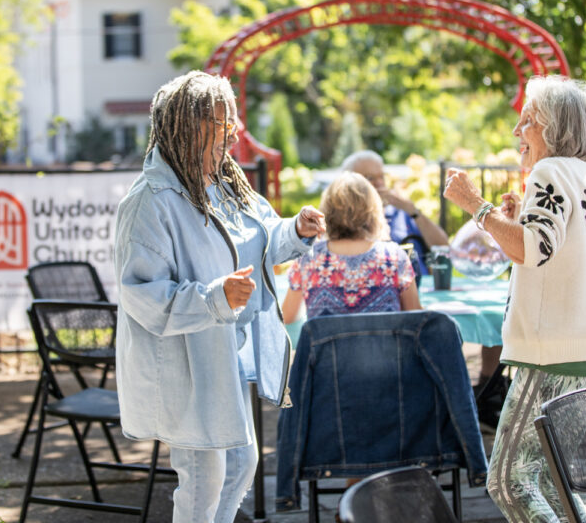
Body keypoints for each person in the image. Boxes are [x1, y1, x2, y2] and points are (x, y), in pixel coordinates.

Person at [113, 70, 325, 523]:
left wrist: (295, 231)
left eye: (232, 119)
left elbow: (262, 237)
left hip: (220, 355)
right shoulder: (151, 200)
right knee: (203, 477)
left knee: (240, 465)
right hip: (181, 362)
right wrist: (214, 298)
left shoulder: (225, 184)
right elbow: (141, 294)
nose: (233, 132)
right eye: (220, 121)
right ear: (188, 125)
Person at [443, 75, 586, 523]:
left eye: (527, 120)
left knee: (507, 481)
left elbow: (532, 249)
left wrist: (476, 205)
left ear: (554, 128)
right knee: (550, 484)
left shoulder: (549, 172)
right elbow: (557, 254)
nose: (517, 132)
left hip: (553, 355)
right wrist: (513, 221)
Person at [281, 171, 421, 325]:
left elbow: (287, 317)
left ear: (327, 212)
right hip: (384, 349)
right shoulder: (395, 257)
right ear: (373, 210)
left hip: (326, 349)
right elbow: (416, 318)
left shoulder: (308, 258)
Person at [341, 150, 449, 275]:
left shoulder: (403, 213)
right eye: (370, 178)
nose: (379, 183)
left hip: (419, 289)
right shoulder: (343, 221)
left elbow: (443, 247)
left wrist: (413, 211)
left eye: (381, 176)